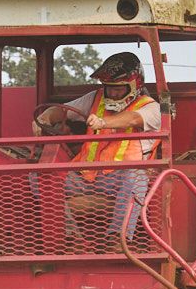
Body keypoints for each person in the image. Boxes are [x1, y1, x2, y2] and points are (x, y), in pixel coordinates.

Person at [32, 52, 160, 244]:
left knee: (137, 177)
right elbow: (62, 110)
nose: (112, 93)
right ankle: (69, 237)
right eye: (109, 88)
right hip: (85, 176)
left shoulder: (151, 108)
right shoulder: (95, 98)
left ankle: (117, 239)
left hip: (119, 180)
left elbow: (133, 118)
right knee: (38, 176)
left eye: (118, 89)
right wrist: (45, 117)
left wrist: (103, 122)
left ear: (135, 86)